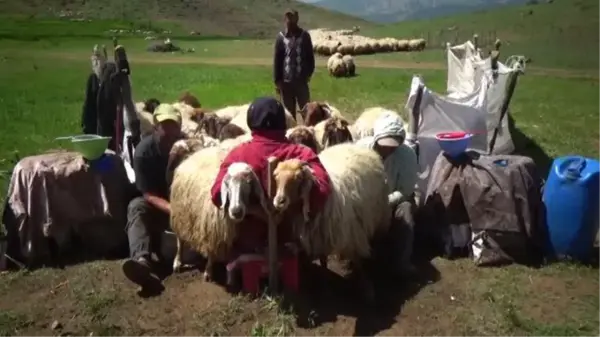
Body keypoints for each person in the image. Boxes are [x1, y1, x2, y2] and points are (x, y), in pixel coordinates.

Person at [211, 96, 331, 255]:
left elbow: (217, 194)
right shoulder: (301, 154)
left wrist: (253, 209)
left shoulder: (238, 154)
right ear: (283, 122)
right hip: (293, 240)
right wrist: (292, 202)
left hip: (249, 243)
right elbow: (321, 193)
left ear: (251, 123)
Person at [122, 104, 183, 290]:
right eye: (165, 125)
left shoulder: (185, 147)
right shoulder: (143, 152)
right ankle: (142, 261)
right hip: (157, 203)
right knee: (136, 207)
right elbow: (147, 193)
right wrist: (172, 209)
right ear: (156, 126)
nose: (169, 130)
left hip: (182, 201)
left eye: (173, 125)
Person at [357, 113, 419, 277]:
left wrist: (384, 202)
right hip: (365, 201)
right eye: (384, 144)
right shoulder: (359, 151)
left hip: (394, 201)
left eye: (393, 146)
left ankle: (401, 262)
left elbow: (405, 190)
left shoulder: (407, 156)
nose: (388, 149)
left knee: (406, 211)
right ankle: (359, 259)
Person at [273, 9, 315, 120]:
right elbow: (278, 60)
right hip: (286, 84)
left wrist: (308, 74)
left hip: (301, 82)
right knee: (289, 116)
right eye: (287, 19)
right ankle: (291, 136)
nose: (289, 22)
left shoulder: (304, 36)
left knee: (308, 113)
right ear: (285, 20)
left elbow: (310, 58)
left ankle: (308, 134)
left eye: (292, 19)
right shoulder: (281, 37)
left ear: (296, 20)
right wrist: (277, 81)